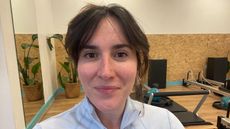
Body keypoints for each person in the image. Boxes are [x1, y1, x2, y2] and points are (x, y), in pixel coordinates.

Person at [33, 4, 184, 129]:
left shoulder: (166, 123)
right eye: (91, 55)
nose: (106, 73)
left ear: (138, 64)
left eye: (120, 54)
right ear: (76, 64)